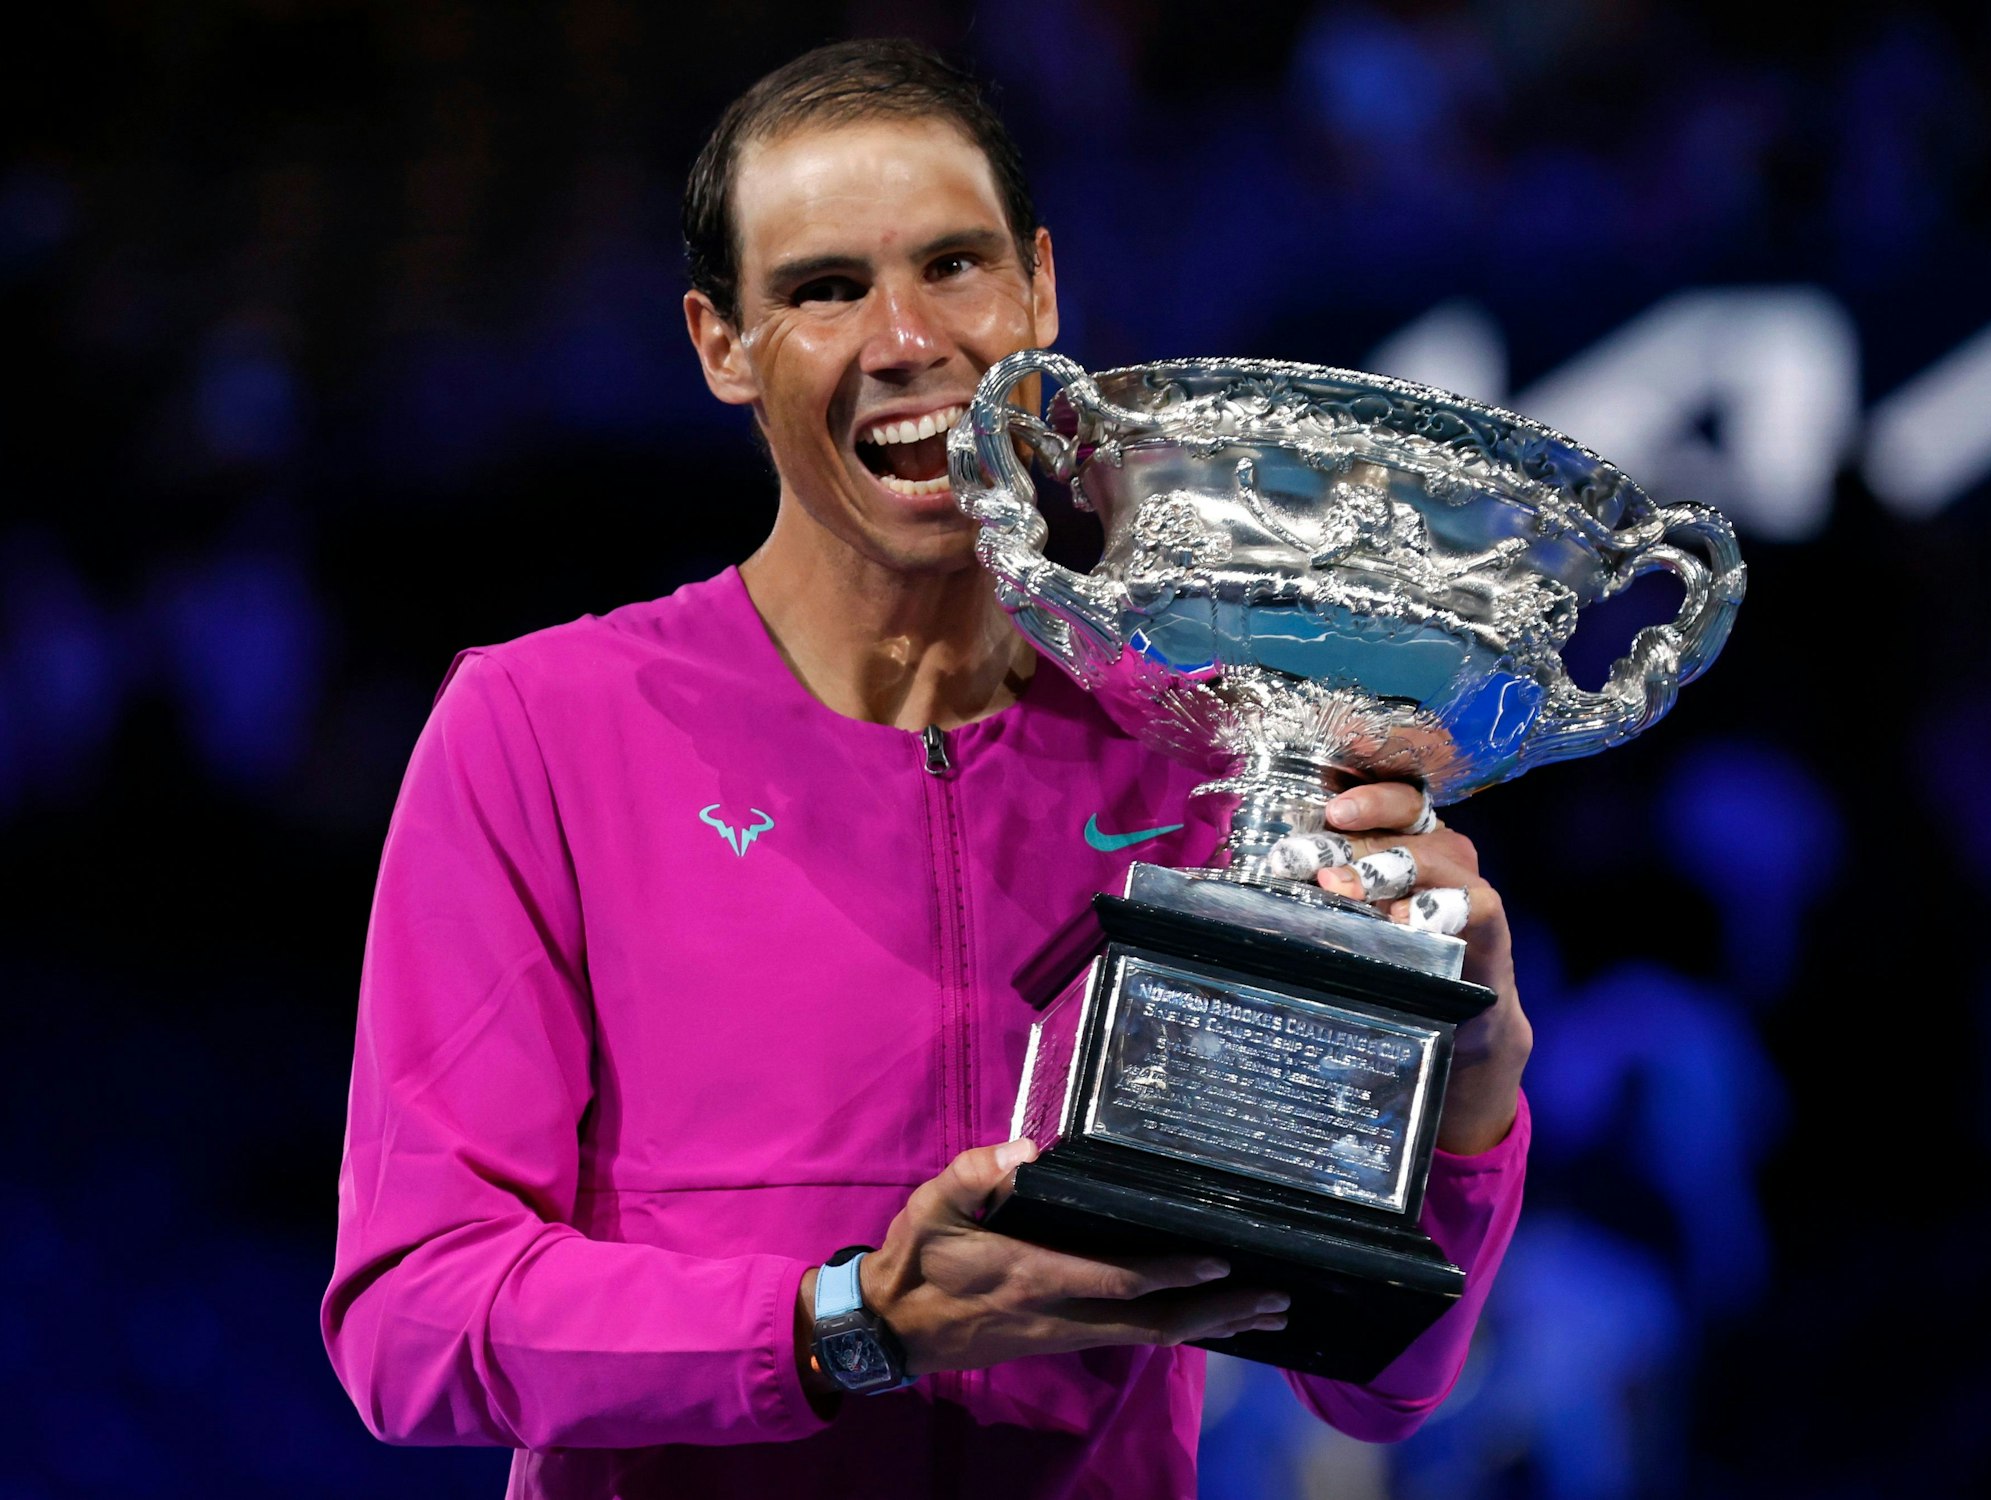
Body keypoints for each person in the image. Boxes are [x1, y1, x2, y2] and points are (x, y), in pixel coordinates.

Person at [322, 38, 1532, 1499]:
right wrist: (848, 1326)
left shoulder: (1198, 757)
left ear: (1039, 293)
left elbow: (1377, 1389)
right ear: (720, 344)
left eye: (952, 268)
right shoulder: (541, 728)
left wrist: (1463, 1088)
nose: (906, 338)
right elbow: (414, 1320)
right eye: (825, 290)